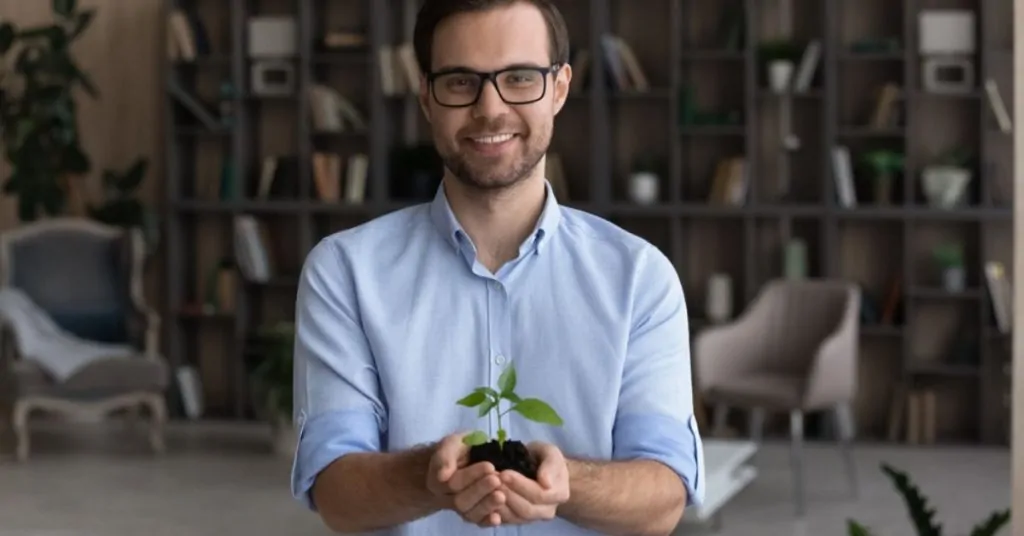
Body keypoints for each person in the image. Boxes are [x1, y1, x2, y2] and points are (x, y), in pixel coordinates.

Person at [290, 0, 705, 534]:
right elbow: (337, 495)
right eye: (462, 81)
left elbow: (664, 496)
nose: (490, 108)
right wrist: (427, 478)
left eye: (519, 77)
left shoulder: (640, 279)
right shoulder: (344, 273)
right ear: (426, 96)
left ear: (558, 88)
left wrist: (567, 483)